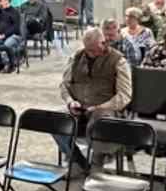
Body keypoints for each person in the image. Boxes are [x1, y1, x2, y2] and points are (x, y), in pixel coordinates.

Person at [56, 27, 132, 173]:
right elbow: (64, 85)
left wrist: (100, 106)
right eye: (88, 50)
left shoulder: (118, 61)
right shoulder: (77, 57)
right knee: (56, 119)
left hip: (105, 109)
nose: (91, 54)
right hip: (80, 107)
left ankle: (98, 160)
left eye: (94, 50)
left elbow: (124, 95)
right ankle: (77, 161)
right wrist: (70, 101)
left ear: (103, 43)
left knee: (100, 120)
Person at [0, 0, 23, 72]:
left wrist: (4, 35)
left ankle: (12, 64)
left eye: (0, 1)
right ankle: (0, 63)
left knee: (7, 45)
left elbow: (15, 27)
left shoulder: (14, 11)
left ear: (7, 0)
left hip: (14, 35)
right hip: (0, 35)